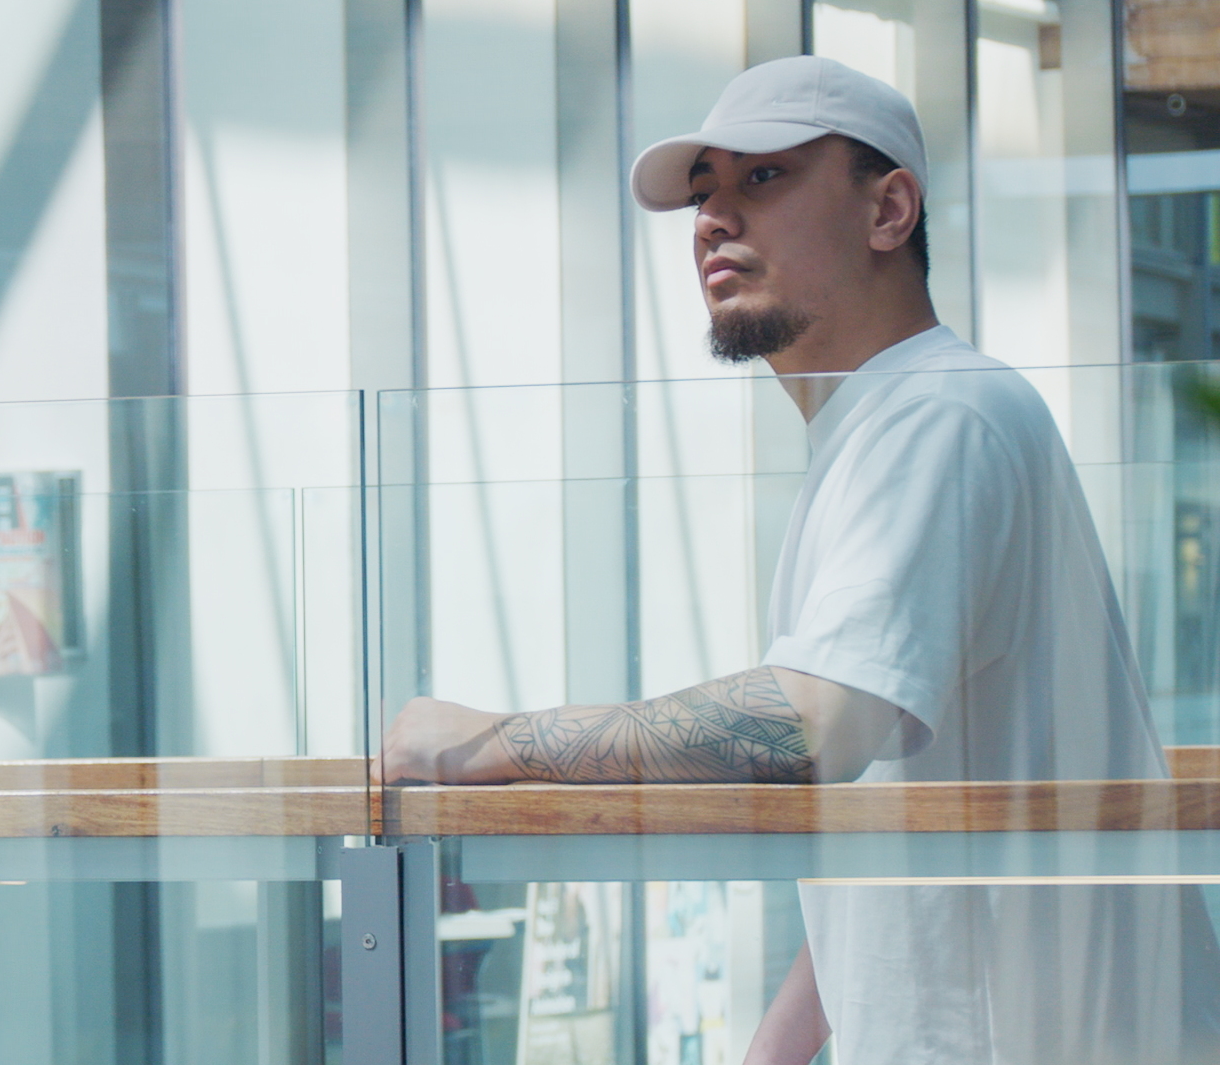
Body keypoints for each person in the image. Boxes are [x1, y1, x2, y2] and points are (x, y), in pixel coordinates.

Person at [376, 55, 1220, 1064]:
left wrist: (492, 743)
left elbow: (816, 730)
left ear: (889, 209)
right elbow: (889, 814)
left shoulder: (939, 417)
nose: (712, 220)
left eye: (762, 179)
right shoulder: (891, 426)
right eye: (704, 191)